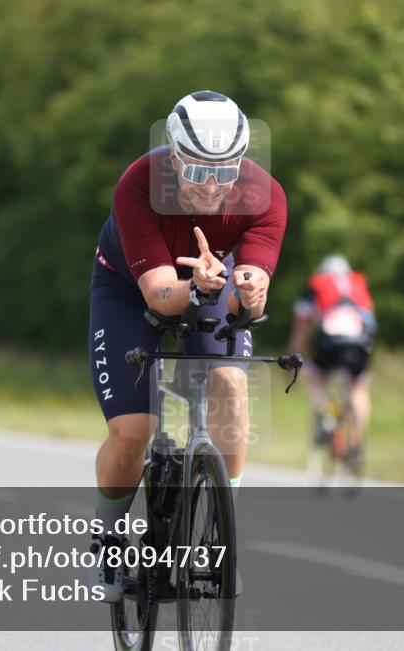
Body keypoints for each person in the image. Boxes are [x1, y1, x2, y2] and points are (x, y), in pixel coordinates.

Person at [87, 91, 287, 601]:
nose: (212, 187)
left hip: (210, 283)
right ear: (173, 159)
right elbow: (159, 294)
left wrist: (250, 287)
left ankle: (220, 532)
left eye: (225, 173)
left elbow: (252, 287)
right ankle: (108, 537)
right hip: (130, 290)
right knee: (134, 430)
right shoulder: (138, 184)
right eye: (197, 173)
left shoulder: (266, 196)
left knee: (229, 385)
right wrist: (196, 287)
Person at [288, 255, 376, 470]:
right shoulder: (358, 285)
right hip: (360, 342)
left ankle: (329, 413)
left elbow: (302, 328)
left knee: (314, 379)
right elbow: (371, 323)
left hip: (331, 340)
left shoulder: (317, 285)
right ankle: (356, 440)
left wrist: (294, 356)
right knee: (358, 387)